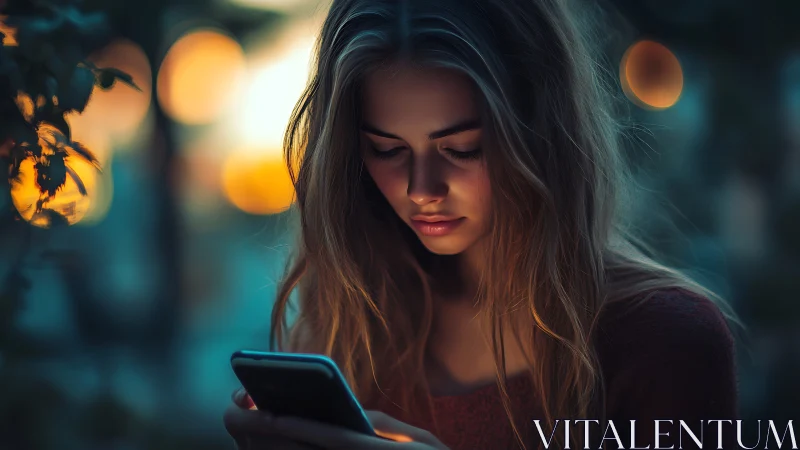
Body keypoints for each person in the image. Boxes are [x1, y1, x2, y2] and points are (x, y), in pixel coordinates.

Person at [224, 0, 746, 448]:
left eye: (461, 149)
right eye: (386, 149)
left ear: (540, 133)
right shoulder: (351, 335)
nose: (421, 188)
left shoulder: (662, 344)